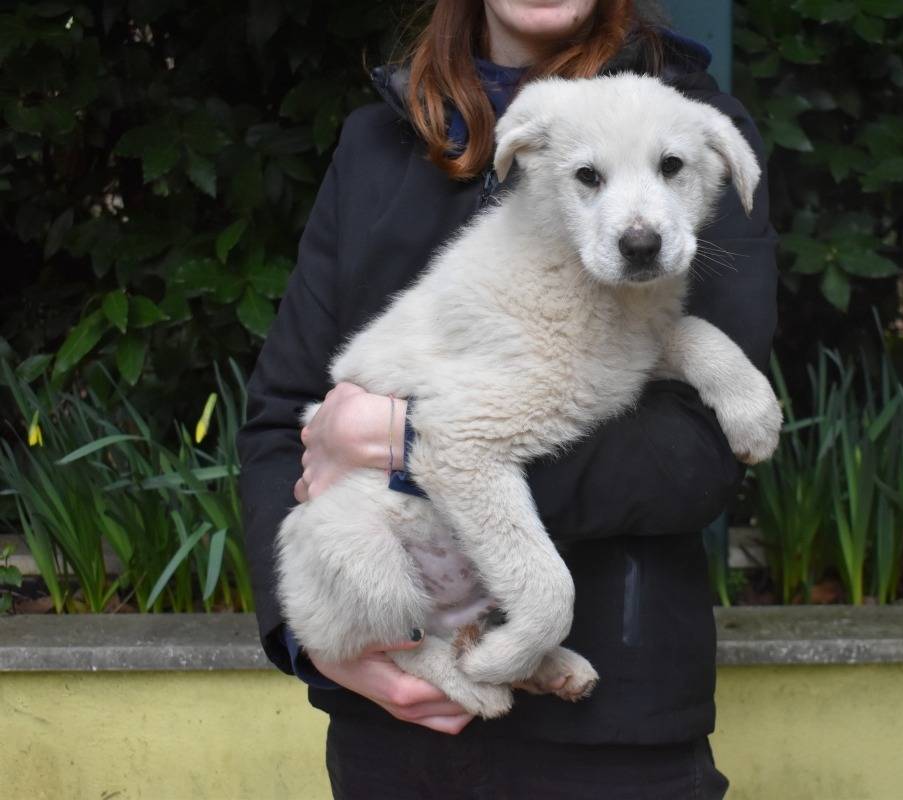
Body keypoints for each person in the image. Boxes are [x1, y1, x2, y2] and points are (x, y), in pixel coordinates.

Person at [237, 1, 777, 797]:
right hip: (391, 726)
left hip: (616, 727)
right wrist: (312, 636)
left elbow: (694, 458)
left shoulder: (685, 125)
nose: (635, 220)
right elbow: (279, 416)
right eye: (587, 177)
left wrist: (405, 442)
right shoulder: (374, 142)